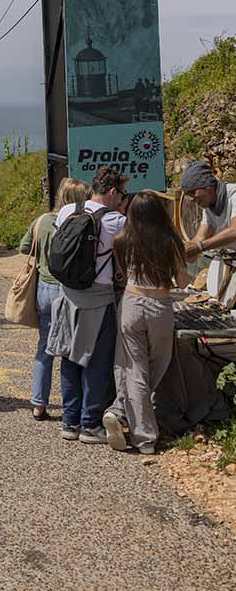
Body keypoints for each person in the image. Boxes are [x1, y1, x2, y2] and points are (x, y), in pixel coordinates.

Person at [102, 191, 189, 455]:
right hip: (159, 305)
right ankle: (145, 437)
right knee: (157, 365)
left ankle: (121, 413)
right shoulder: (169, 242)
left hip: (131, 302)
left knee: (135, 369)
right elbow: (184, 281)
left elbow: (122, 273)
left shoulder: (121, 240)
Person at [47, 165, 129, 444]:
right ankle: (90, 424)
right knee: (97, 362)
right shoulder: (118, 221)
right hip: (99, 298)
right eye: (121, 195)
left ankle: (69, 422)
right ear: (113, 192)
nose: (122, 201)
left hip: (67, 296)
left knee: (69, 360)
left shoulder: (67, 212)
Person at [18, 177, 89, 420]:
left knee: (45, 348)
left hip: (44, 290)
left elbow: (24, 247)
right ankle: (74, 407)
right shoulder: (80, 223)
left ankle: (39, 403)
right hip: (69, 291)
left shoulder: (43, 222)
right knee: (72, 350)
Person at [180, 159, 236, 261]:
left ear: (208, 187)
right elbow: (201, 237)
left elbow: (234, 231)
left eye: (193, 192)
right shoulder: (209, 204)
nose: (192, 199)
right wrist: (185, 251)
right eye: (188, 195)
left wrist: (199, 247)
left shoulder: (233, 194)